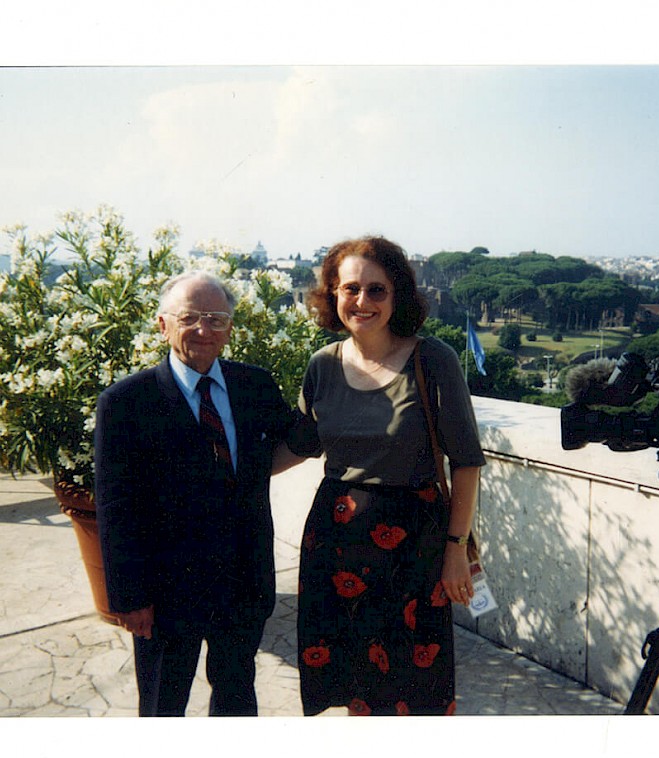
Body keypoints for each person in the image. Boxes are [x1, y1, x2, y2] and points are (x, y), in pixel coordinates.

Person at [274, 236, 485, 715]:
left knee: (410, 686)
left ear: (398, 296)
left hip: (413, 547)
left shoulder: (432, 361)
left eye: (377, 290)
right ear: (332, 294)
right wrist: (226, 472)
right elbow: (301, 444)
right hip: (335, 543)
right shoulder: (323, 365)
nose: (362, 301)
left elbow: (466, 462)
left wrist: (455, 549)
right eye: (350, 288)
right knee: (352, 680)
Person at [95, 271, 293, 716]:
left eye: (216, 319)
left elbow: (299, 436)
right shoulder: (126, 403)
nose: (203, 330)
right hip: (166, 594)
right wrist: (129, 598)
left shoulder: (254, 386)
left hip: (243, 583)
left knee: (237, 699)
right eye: (189, 318)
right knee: (163, 707)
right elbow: (115, 507)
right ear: (163, 325)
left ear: (229, 328)